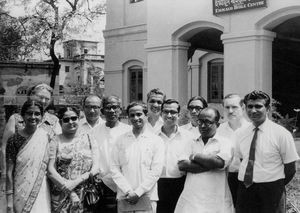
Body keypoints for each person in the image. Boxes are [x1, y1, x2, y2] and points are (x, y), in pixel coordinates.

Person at [235, 90, 300, 213]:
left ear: (268, 108)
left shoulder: (281, 134)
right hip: (246, 190)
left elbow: (290, 168)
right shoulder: (240, 133)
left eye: (258, 106)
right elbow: (243, 159)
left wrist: (273, 182)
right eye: (250, 106)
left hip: (272, 190)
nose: (253, 110)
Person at [1, 83, 61, 213]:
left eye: (47, 98)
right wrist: (5, 179)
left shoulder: (54, 120)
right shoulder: (16, 119)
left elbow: (57, 150)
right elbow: (4, 148)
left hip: (44, 178)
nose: (44, 101)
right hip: (19, 179)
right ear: (30, 95)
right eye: (40, 97)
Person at [175, 107, 234, 213]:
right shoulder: (191, 142)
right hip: (191, 201)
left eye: (207, 122)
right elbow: (182, 165)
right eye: (200, 121)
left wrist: (194, 156)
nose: (202, 126)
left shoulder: (225, 142)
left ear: (217, 124)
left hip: (216, 201)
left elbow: (219, 163)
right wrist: (210, 162)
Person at [111, 102, 165, 213]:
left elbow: (156, 171)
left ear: (146, 115)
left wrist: (138, 192)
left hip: (147, 197)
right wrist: (128, 191)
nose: (136, 118)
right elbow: (114, 169)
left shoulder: (156, 141)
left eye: (139, 114)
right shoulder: (120, 140)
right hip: (125, 197)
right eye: (132, 115)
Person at [47, 106, 99, 213]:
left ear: (79, 119)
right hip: (61, 193)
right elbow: (50, 170)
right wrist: (70, 191)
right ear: (60, 122)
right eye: (66, 120)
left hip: (86, 194)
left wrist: (76, 182)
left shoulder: (89, 138)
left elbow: (96, 167)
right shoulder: (55, 140)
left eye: (74, 118)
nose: (71, 122)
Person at [6, 100, 52, 213]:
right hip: (20, 191)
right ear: (22, 116)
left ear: (42, 116)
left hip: (41, 188)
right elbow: (9, 172)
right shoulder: (14, 139)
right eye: (29, 113)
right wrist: (9, 201)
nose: (33, 117)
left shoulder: (47, 137)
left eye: (37, 114)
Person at [93, 95, 131, 212]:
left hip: (125, 184)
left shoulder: (128, 130)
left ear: (120, 109)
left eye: (115, 107)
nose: (112, 111)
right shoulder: (94, 131)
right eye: (108, 107)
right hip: (101, 185)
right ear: (103, 110)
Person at [157, 99, 193, 213]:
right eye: (165, 112)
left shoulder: (189, 137)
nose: (169, 115)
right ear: (161, 113)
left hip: (181, 184)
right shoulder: (152, 136)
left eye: (173, 112)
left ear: (178, 114)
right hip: (157, 185)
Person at [217, 93, 250, 207]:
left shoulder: (250, 130)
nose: (230, 111)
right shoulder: (219, 130)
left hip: (246, 180)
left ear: (243, 108)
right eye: (227, 107)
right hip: (223, 178)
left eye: (234, 107)